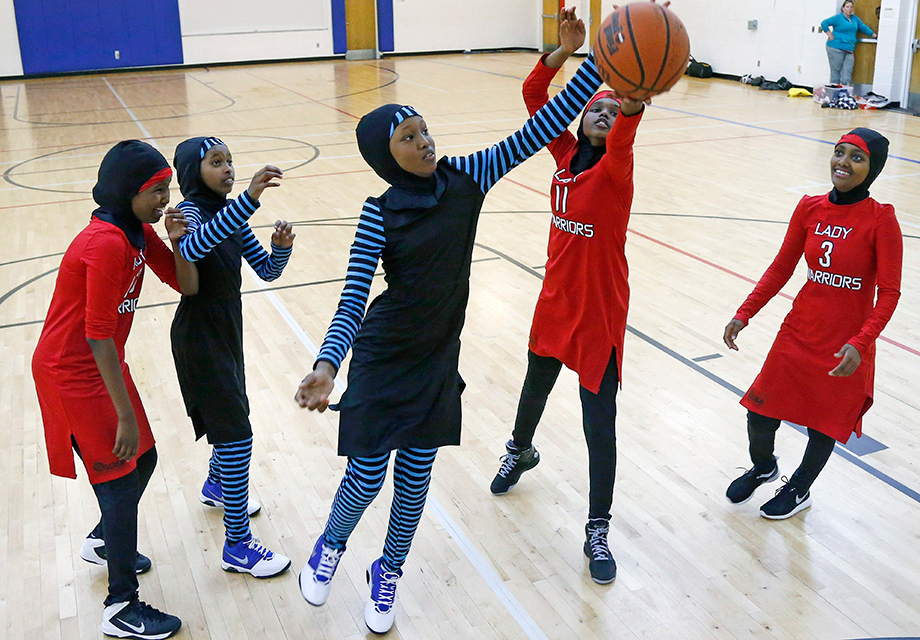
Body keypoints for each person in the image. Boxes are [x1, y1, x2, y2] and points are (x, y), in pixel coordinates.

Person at [293, 44, 607, 634]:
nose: (425, 142)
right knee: (366, 475)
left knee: (415, 481)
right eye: (408, 138)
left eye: (424, 130)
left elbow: (540, 127)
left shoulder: (467, 177)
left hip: (438, 357)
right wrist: (328, 366)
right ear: (385, 158)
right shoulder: (378, 213)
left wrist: (598, 63)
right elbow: (353, 299)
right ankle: (329, 548)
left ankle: (388, 572)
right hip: (385, 355)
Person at [487, 7, 644, 586]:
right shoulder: (561, 157)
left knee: (598, 427)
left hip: (599, 314)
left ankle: (597, 527)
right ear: (579, 118)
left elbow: (626, 131)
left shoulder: (616, 172)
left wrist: (632, 98)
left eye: (613, 111)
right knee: (534, 389)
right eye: (596, 107)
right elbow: (535, 94)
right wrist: (563, 51)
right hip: (554, 302)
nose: (604, 113)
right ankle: (520, 449)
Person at [32, 140, 197, 640]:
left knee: (143, 459)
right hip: (72, 371)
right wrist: (123, 416)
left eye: (167, 188)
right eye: (157, 190)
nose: (166, 199)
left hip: (100, 364)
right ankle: (121, 605)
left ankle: (105, 540)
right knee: (119, 481)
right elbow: (97, 334)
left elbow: (186, 285)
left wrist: (178, 242)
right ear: (128, 192)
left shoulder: (138, 231)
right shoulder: (104, 242)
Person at [723, 128, 901, 519]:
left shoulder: (881, 219)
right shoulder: (809, 208)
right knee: (759, 413)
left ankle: (799, 488)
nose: (843, 162)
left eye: (857, 157)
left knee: (824, 425)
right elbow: (780, 268)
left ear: (873, 169)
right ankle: (764, 467)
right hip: (798, 332)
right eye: (839, 152)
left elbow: (889, 293)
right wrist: (744, 312)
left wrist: (861, 342)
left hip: (845, 344)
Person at [170, 136, 295, 578]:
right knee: (237, 434)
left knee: (232, 417)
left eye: (229, 161)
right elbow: (192, 249)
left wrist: (281, 248)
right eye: (216, 162)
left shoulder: (231, 215)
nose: (227, 169)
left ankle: (217, 483)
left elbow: (267, 270)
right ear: (193, 172)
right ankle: (237, 546)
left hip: (227, 329)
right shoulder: (188, 214)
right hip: (199, 335)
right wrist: (250, 198)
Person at [821, 1, 876, 86]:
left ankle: (845, 90)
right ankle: (833, 90)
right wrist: (830, 35)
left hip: (849, 49)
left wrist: (873, 35)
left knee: (847, 72)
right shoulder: (838, 18)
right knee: (836, 73)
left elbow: (863, 27)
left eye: (851, 7)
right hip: (836, 48)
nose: (849, 9)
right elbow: (824, 23)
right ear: (843, 8)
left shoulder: (855, 19)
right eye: (847, 7)